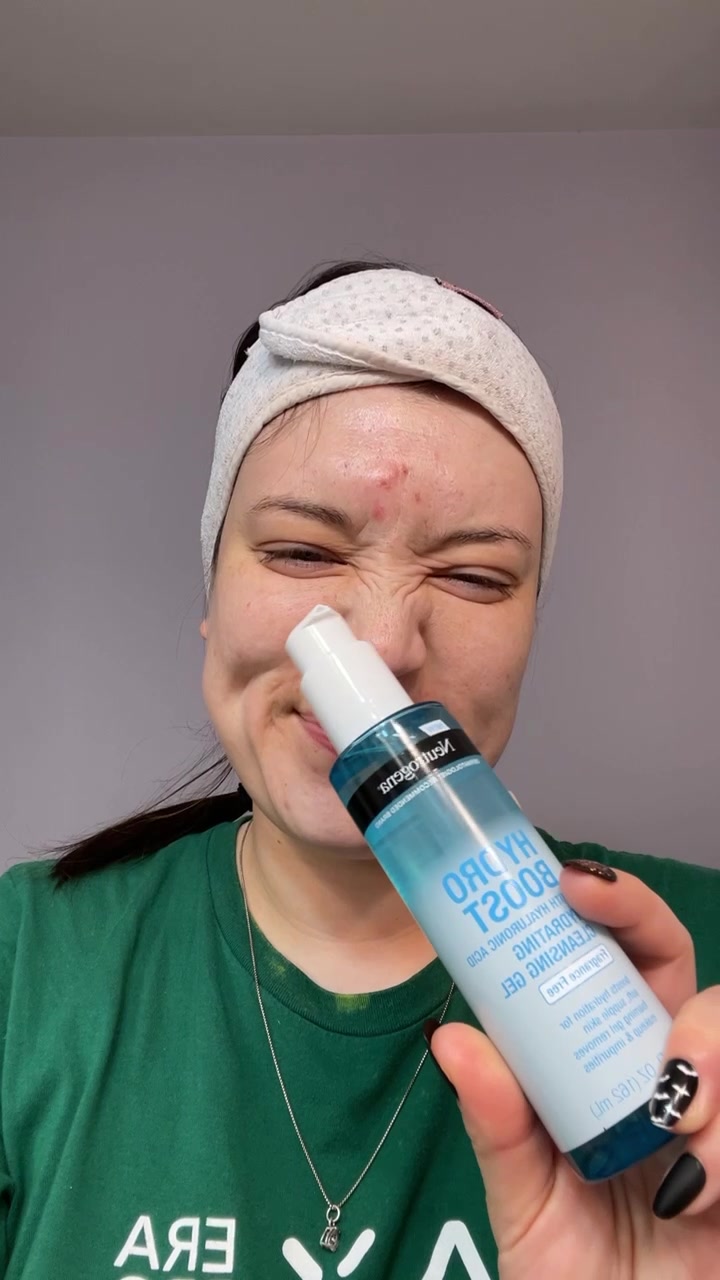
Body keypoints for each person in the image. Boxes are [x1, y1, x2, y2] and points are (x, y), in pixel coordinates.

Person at [1, 261, 718, 1280]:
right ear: (211, 594)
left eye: (473, 575)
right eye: (302, 552)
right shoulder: (24, 967)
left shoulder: (698, 973)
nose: (382, 644)